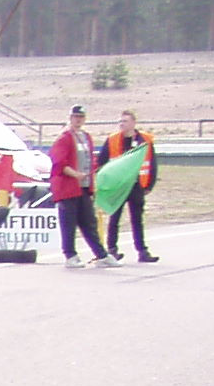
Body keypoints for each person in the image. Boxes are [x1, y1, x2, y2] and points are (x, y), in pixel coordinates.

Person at [49, 104, 114, 268]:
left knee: (88, 221)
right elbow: (58, 163)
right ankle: (70, 255)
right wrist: (74, 173)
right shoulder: (64, 138)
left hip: (84, 186)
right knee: (69, 222)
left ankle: (101, 255)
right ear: (70, 118)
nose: (78, 120)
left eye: (81, 117)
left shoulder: (86, 137)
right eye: (75, 117)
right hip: (68, 187)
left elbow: (90, 159)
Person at [100, 109, 160, 263]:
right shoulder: (112, 140)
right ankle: (112, 250)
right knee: (114, 218)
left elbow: (152, 164)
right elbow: (101, 162)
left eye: (125, 121)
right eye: (120, 121)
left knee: (137, 219)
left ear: (133, 123)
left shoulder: (145, 140)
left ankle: (142, 251)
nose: (121, 124)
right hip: (118, 186)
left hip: (136, 186)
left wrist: (149, 185)